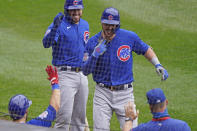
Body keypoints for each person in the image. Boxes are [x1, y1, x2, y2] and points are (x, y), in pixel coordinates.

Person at [82, 7, 169, 130]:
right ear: (102, 23)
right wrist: (95, 55)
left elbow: (145, 49)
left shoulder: (129, 37)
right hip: (102, 93)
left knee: (132, 128)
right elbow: (85, 71)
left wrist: (157, 64)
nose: (109, 28)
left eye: (113, 25)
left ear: (117, 24)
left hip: (125, 94)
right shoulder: (92, 42)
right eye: (107, 24)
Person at [42, 0, 89, 130]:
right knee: (64, 118)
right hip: (64, 75)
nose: (76, 12)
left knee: (79, 120)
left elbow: (84, 48)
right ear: (66, 10)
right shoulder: (60, 24)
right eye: (72, 9)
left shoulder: (85, 25)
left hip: (82, 75)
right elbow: (46, 44)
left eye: (78, 9)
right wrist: (54, 29)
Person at [123, 88, 191, 131]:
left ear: (150, 107)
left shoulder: (143, 128)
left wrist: (129, 119)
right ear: (166, 102)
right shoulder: (182, 126)